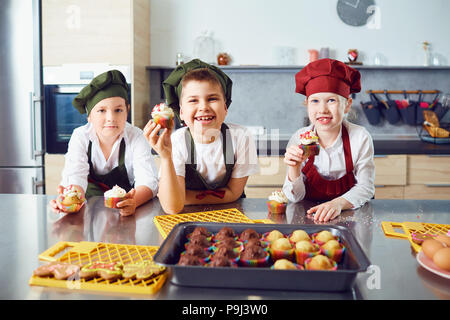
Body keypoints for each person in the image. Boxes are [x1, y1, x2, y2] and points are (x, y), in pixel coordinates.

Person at [144, 59, 259, 214]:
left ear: (225, 108)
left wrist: (185, 197)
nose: (204, 107)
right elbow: (172, 207)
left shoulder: (241, 138)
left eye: (212, 99)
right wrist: (166, 157)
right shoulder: (177, 142)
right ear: (181, 112)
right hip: (185, 218)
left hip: (233, 214)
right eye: (193, 100)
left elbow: (234, 193)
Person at [50, 70, 159, 216]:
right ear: (89, 116)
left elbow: (148, 182)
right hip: (90, 211)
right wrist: (70, 200)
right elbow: (76, 175)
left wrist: (134, 201)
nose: (111, 118)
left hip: (126, 208)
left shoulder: (136, 137)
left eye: (118, 110)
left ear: (127, 110)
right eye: (101, 110)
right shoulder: (80, 136)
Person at [282, 59, 375, 222]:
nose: (322, 110)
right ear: (307, 105)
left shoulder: (360, 137)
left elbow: (366, 187)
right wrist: (294, 168)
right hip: (308, 216)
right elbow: (294, 197)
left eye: (331, 100)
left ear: (347, 105)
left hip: (351, 216)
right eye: (315, 101)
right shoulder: (299, 138)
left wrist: (337, 204)